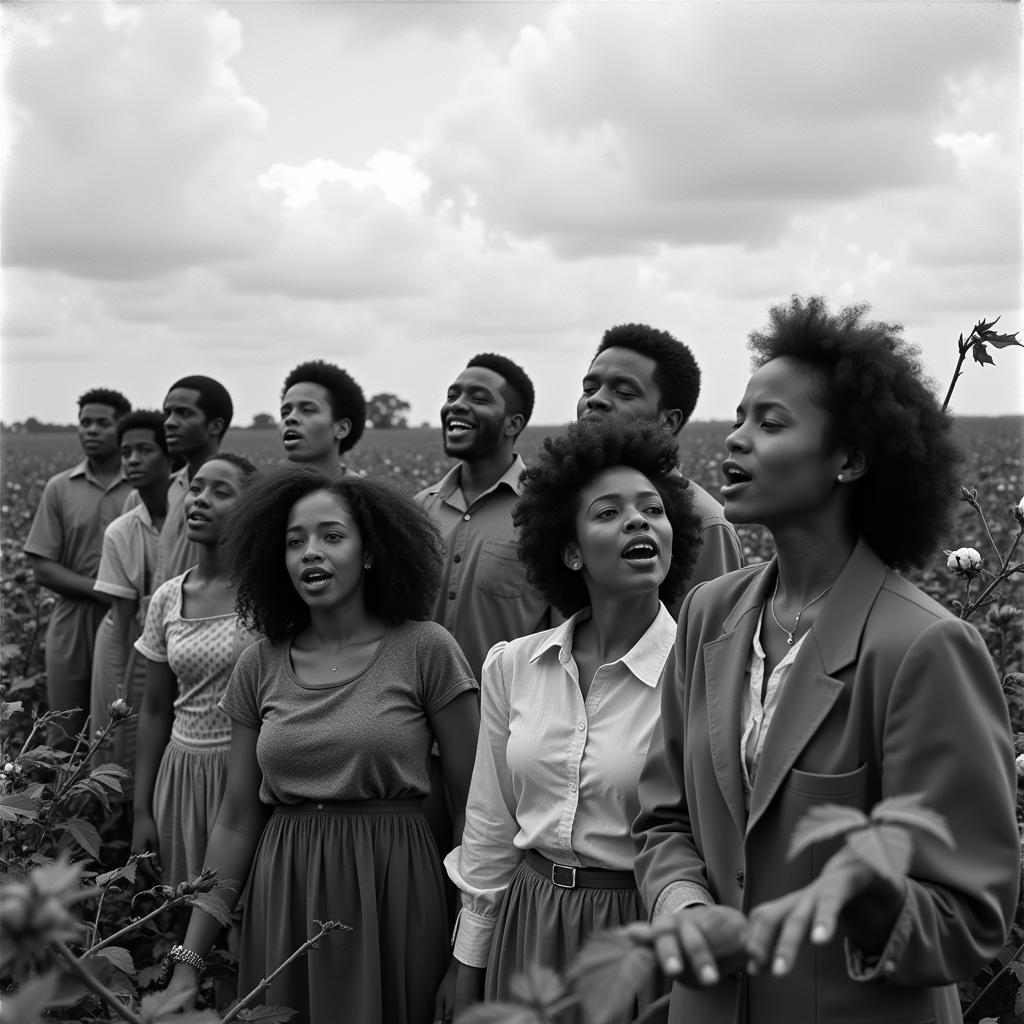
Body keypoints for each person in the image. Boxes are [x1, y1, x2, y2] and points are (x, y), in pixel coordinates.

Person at [632, 296, 1019, 1024]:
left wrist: (865, 892)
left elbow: (971, 917)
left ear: (849, 459)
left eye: (770, 423)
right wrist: (683, 905)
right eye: (739, 417)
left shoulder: (923, 647)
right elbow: (662, 819)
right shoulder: (709, 614)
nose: (736, 440)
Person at [162, 468, 480, 1024]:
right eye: (294, 541)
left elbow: (475, 810)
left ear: (371, 552)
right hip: (286, 893)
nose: (311, 552)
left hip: (395, 890)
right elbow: (236, 819)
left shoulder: (427, 649)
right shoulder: (257, 664)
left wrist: (467, 953)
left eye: (332, 536)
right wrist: (190, 955)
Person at [438, 417, 702, 1023]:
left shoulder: (699, 671)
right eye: (608, 513)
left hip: (641, 931)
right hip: (526, 923)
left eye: (653, 510)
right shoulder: (514, 666)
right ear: (569, 550)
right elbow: (490, 823)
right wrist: (468, 961)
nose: (639, 521)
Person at [131, 453, 260, 888]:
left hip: (249, 775)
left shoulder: (268, 596)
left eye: (221, 493)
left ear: (251, 511)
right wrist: (141, 809)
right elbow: (153, 709)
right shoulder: (168, 598)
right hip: (180, 772)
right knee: (184, 905)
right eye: (196, 488)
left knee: (243, 911)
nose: (199, 500)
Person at [578, 323, 744, 606]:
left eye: (624, 392)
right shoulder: (567, 504)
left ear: (668, 421)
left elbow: (713, 643)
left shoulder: (704, 524)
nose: (596, 400)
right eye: (590, 388)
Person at [415, 353, 551, 683]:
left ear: (513, 423)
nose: (457, 405)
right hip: (419, 720)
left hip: (511, 719)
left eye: (479, 398)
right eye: (452, 395)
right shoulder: (419, 510)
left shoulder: (546, 511)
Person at [24, 387, 134, 743]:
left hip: (126, 618)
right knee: (63, 730)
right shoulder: (60, 487)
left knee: (120, 731)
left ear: (122, 430)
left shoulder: (142, 486)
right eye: (84, 422)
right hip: (71, 620)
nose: (91, 430)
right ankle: (62, 801)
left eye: (102, 423)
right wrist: (104, 589)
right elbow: (43, 568)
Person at [90, 410, 172, 776]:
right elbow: (123, 617)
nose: (133, 460)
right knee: (121, 741)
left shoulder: (192, 519)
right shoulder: (121, 531)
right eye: (126, 452)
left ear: (170, 457)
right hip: (128, 638)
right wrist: (123, 677)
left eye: (145, 450)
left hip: (173, 637)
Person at [128, 375, 233, 593]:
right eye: (168, 413)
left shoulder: (240, 491)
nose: (169, 422)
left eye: (184, 413)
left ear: (215, 426)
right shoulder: (173, 488)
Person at [279, 359, 366, 476]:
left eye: (307, 410)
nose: (290, 418)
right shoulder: (270, 493)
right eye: (285, 413)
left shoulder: (360, 494)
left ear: (341, 429)